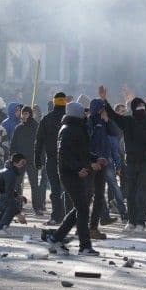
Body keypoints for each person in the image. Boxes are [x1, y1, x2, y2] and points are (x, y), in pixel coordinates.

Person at [45, 102, 103, 256]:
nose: (85, 114)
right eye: (83, 112)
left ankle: (56, 237)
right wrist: (79, 168)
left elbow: (81, 152)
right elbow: (64, 155)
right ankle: (84, 246)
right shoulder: (69, 129)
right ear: (76, 113)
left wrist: (95, 159)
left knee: (80, 208)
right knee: (82, 209)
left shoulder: (75, 128)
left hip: (75, 173)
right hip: (70, 174)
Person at [104, 90, 146, 232]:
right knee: (131, 193)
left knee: (142, 193)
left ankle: (141, 222)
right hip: (130, 163)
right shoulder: (127, 121)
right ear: (133, 109)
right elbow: (113, 115)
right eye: (138, 108)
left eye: (143, 108)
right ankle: (131, 221)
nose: (141, 110)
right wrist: (104, 100)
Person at [88, 98, 122, 240]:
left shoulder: (103, 121)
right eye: (102, 108)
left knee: (100, 193)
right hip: (93, 162)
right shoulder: (90, 121)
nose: (103, 111)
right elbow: (87, 141)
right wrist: (91, 160)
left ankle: (101, 220)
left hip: (104, 161)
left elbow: (116, 133)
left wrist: (108, 120)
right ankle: (86, 226)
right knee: (90, 194)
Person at [35, 91, 67, 225]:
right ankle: (68, 217)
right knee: (67, 189)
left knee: (55, 189)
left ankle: (56, 217)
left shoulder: (46, 119)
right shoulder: (68, 118)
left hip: (52, 159)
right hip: (68, 160)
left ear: (54, 103)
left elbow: (39, 141)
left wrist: (37, 159)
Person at [10, 105, 45, 215]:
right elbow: (13, 144)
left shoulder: (36, 127)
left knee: (34, 185)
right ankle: (17, 206)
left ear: (30, 114)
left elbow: (41, 145)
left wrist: (41, 159)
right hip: (20, 161)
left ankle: (38, 207)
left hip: (32, 161)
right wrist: (13, 159)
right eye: (22, 113)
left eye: (26, 113)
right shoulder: (18, 128)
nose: (24, 116)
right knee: (17, 184)